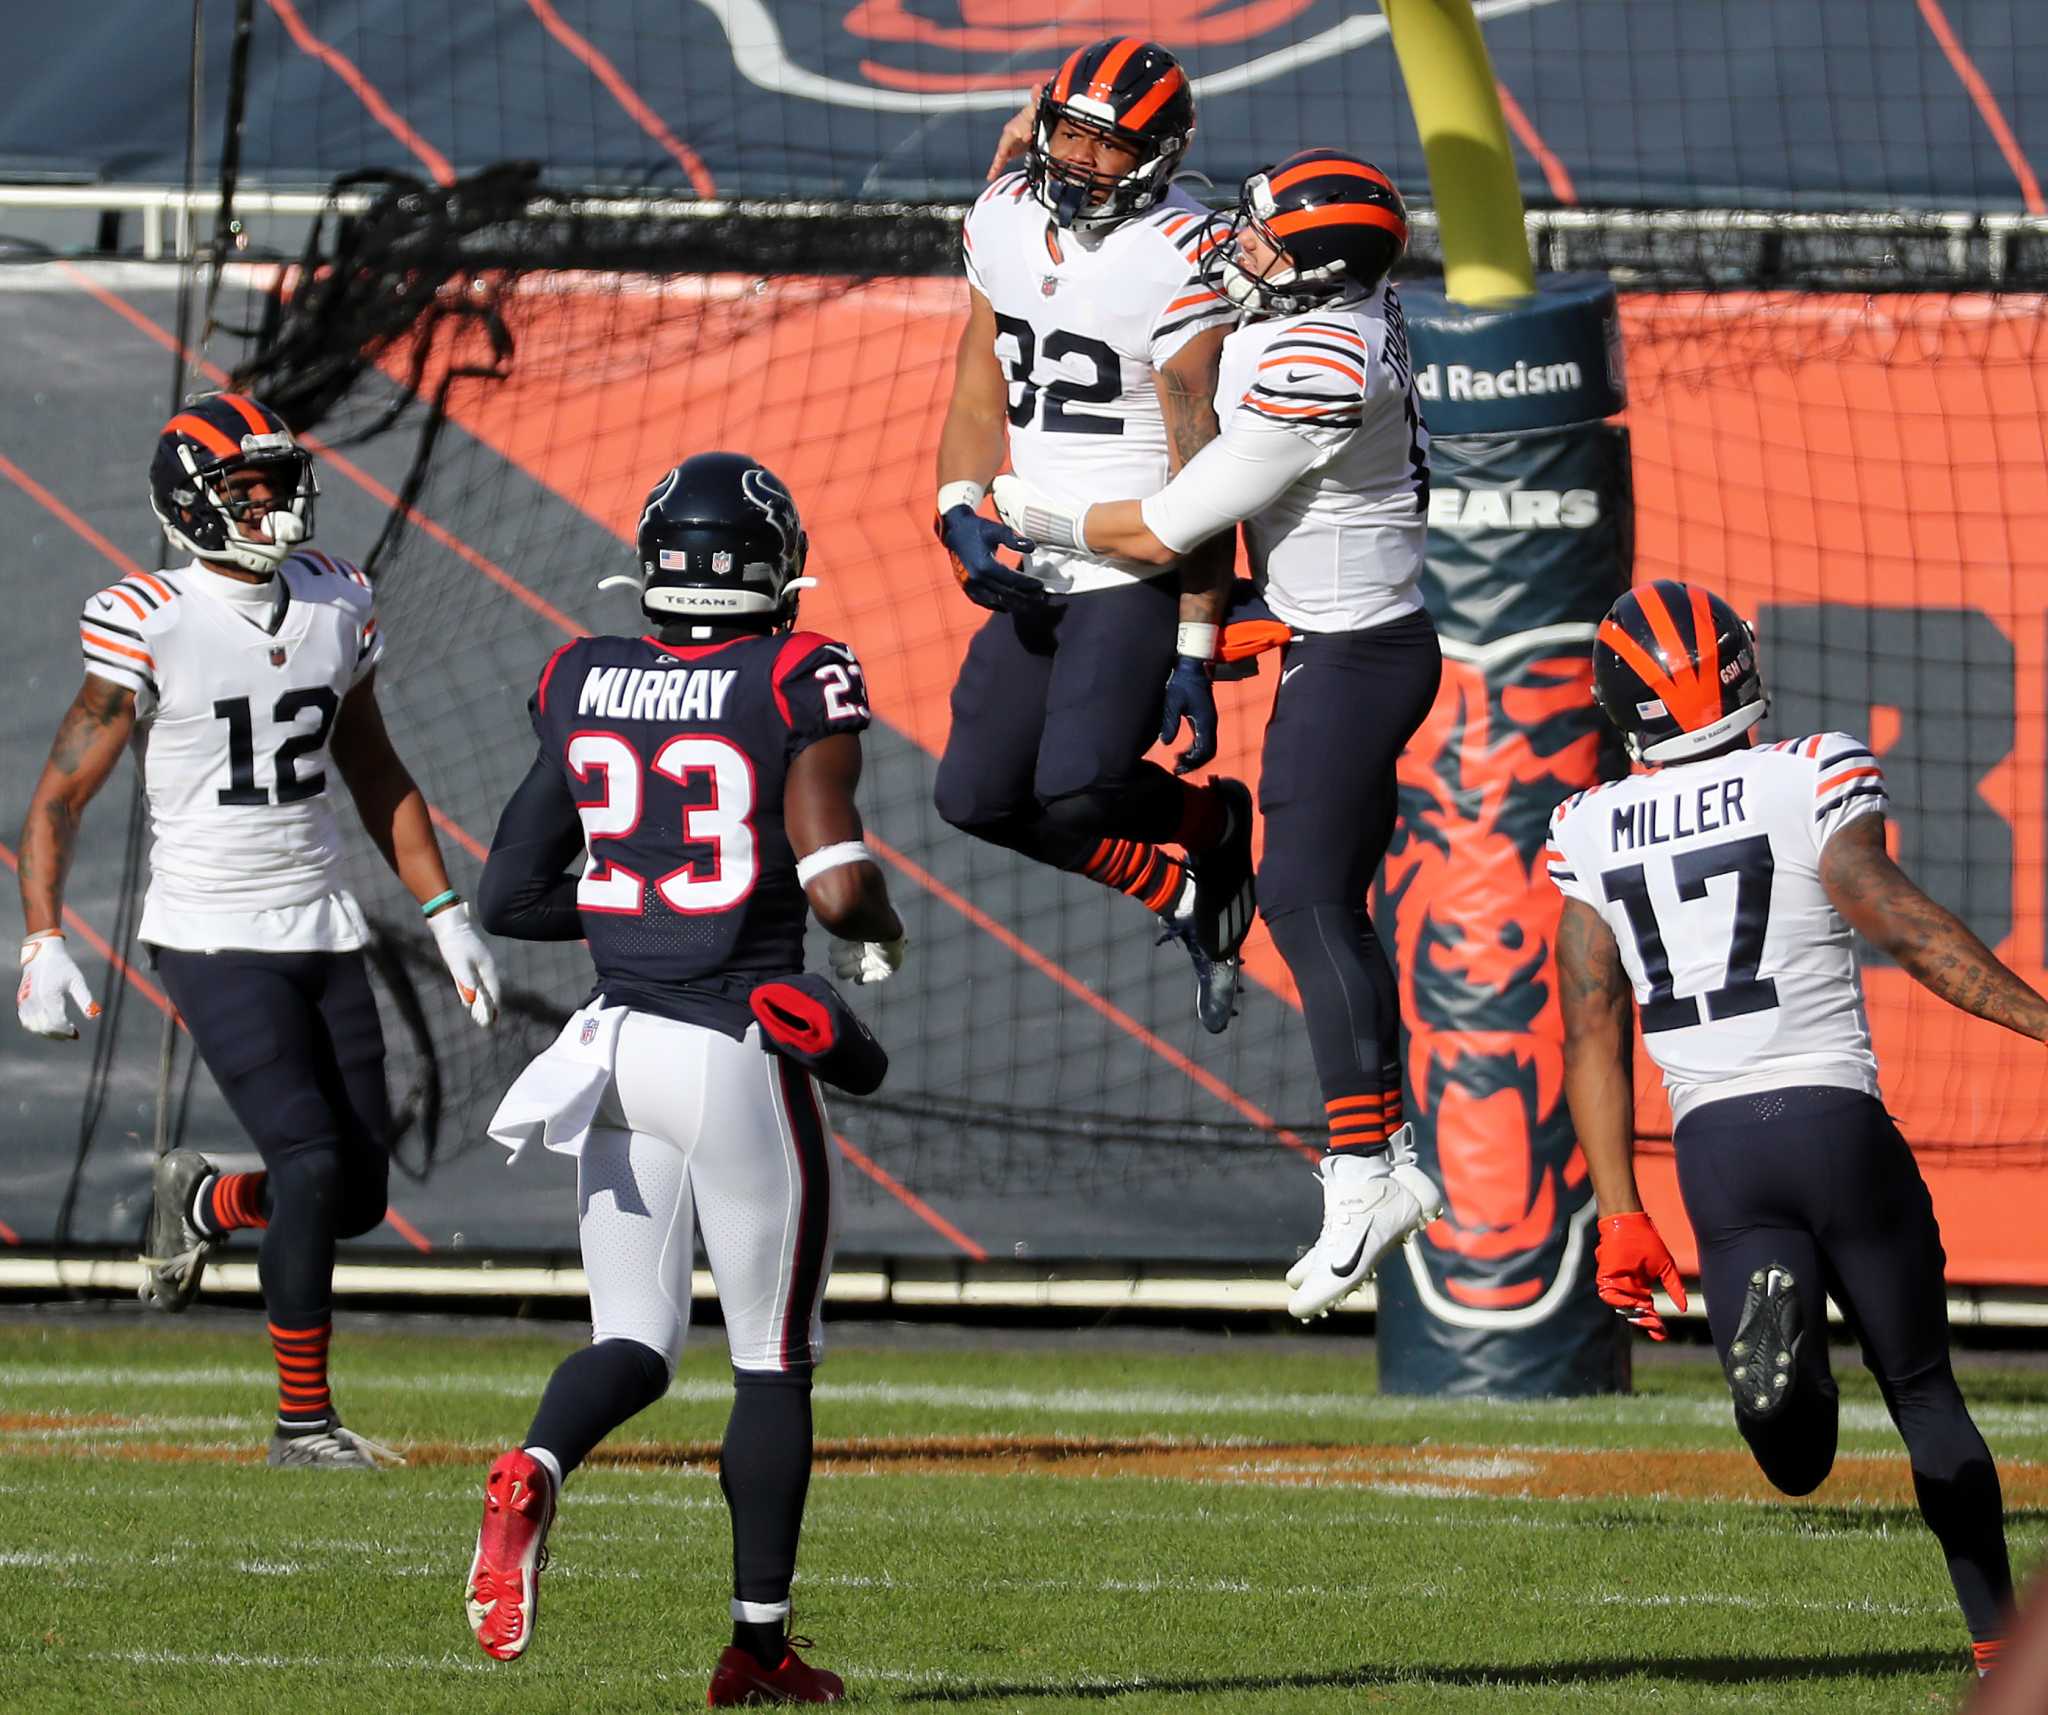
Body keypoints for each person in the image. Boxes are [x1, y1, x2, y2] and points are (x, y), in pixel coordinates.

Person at [464, 453, 904, 1705]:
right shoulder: (793, 671)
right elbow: (833, 880)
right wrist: (878, 927)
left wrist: (635, 909)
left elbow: (508, 891)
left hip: (611, 1048)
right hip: (731, 1046)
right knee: (770, 1356)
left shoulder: (580, 672)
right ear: (774, 568)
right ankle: (756, 1650)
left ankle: (540, 1465)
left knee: (633, 1338)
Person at [992, 151, 1443, 1319]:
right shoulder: (1333, 301)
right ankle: (1380, 1163)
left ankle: (1364, 1174)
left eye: (1266, 244)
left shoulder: (1321, 360)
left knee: (1304, 901)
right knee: (1311, 898)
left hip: (1349, 653)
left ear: (1316, 278)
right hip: (1312, 622)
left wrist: (1023, 507)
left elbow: (1161, 527)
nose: (1241, 248)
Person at [15, 391, 500, 1469]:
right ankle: (302, 1422)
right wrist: (42, 938)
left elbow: (372, 767)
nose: (278, 505)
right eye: (249, 488)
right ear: (192, 504)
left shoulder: (337, 599)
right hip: (210, 925)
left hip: (323, 918)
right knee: (314, 1156)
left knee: (357, 1189)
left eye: (282, 482)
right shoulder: (150, 615)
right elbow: (57, 797)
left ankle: (204, 1198)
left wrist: (444, 910)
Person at [1551, 579, 2021, 1671]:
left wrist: (1620, 1212)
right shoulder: (1809, 769)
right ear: (1739, 668)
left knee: (1797, 1461)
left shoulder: (1588, 822)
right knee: (1919, 1387)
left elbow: (1588, 1021)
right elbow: (1894, 917)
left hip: (1716, 1150)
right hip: (1830, 1117)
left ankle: (1786, 1368)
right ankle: (2001, 1648)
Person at [934, 35, 1256, 1034]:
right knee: (975, 799)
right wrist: (956, 505)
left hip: (1136, 554)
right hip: (1035, 545)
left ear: (1156, 155)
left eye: (1108, 145)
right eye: (1070, 131)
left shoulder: (1178, 254)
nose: (1079, 160)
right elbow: (978, 384)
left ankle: (1211, 821)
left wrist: (1195, 641)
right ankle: (1186, 888)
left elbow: (1205, 469)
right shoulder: (1000, 214)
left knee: (1080, 789)